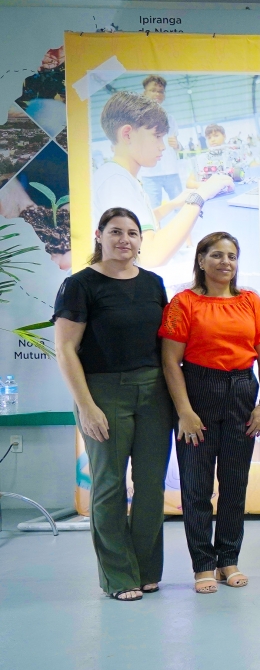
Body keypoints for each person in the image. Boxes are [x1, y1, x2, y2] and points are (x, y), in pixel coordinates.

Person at [53, 207, 173, 601]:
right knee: (108, 485)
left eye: (132, 233)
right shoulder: (80, 285)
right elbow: (65, 349)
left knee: (151, 485)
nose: (125, 239)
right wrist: (86, 406)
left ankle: (146, 569)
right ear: (99, 235)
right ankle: (119, 576)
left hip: (154, 392)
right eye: (116, 231)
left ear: (140, 240)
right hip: (103, 392)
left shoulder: (154, 283)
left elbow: (165, 345)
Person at [159, 232, 260, 594]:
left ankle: (228, 559)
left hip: (242, 392)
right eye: (217, 255)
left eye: (232, 256)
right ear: (201, 260)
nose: (226, 262)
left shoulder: (250, 301)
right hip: (198, 392)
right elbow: (170, 361)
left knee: (235, 484)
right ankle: (203, 565)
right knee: (196, 487)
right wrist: (184, 411)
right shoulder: (184, 302)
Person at [92, 91, 231, 268]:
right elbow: (150, 256)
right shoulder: (116, 182)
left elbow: (139, 223)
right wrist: (200, 196)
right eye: (157, 136)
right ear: (127, 134)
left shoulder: (116, 176)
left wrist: (174, 204)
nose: (163, 146)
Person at [137, 76, 183, 210]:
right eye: (153, 90)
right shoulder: (137, 119)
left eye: (161, 91)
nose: (157, 94)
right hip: (149, 175)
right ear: (144, 93)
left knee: (181, 208)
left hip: (171, 172)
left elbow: (178, 146)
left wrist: (177, 145)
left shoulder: (170, 119)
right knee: (152, 212)